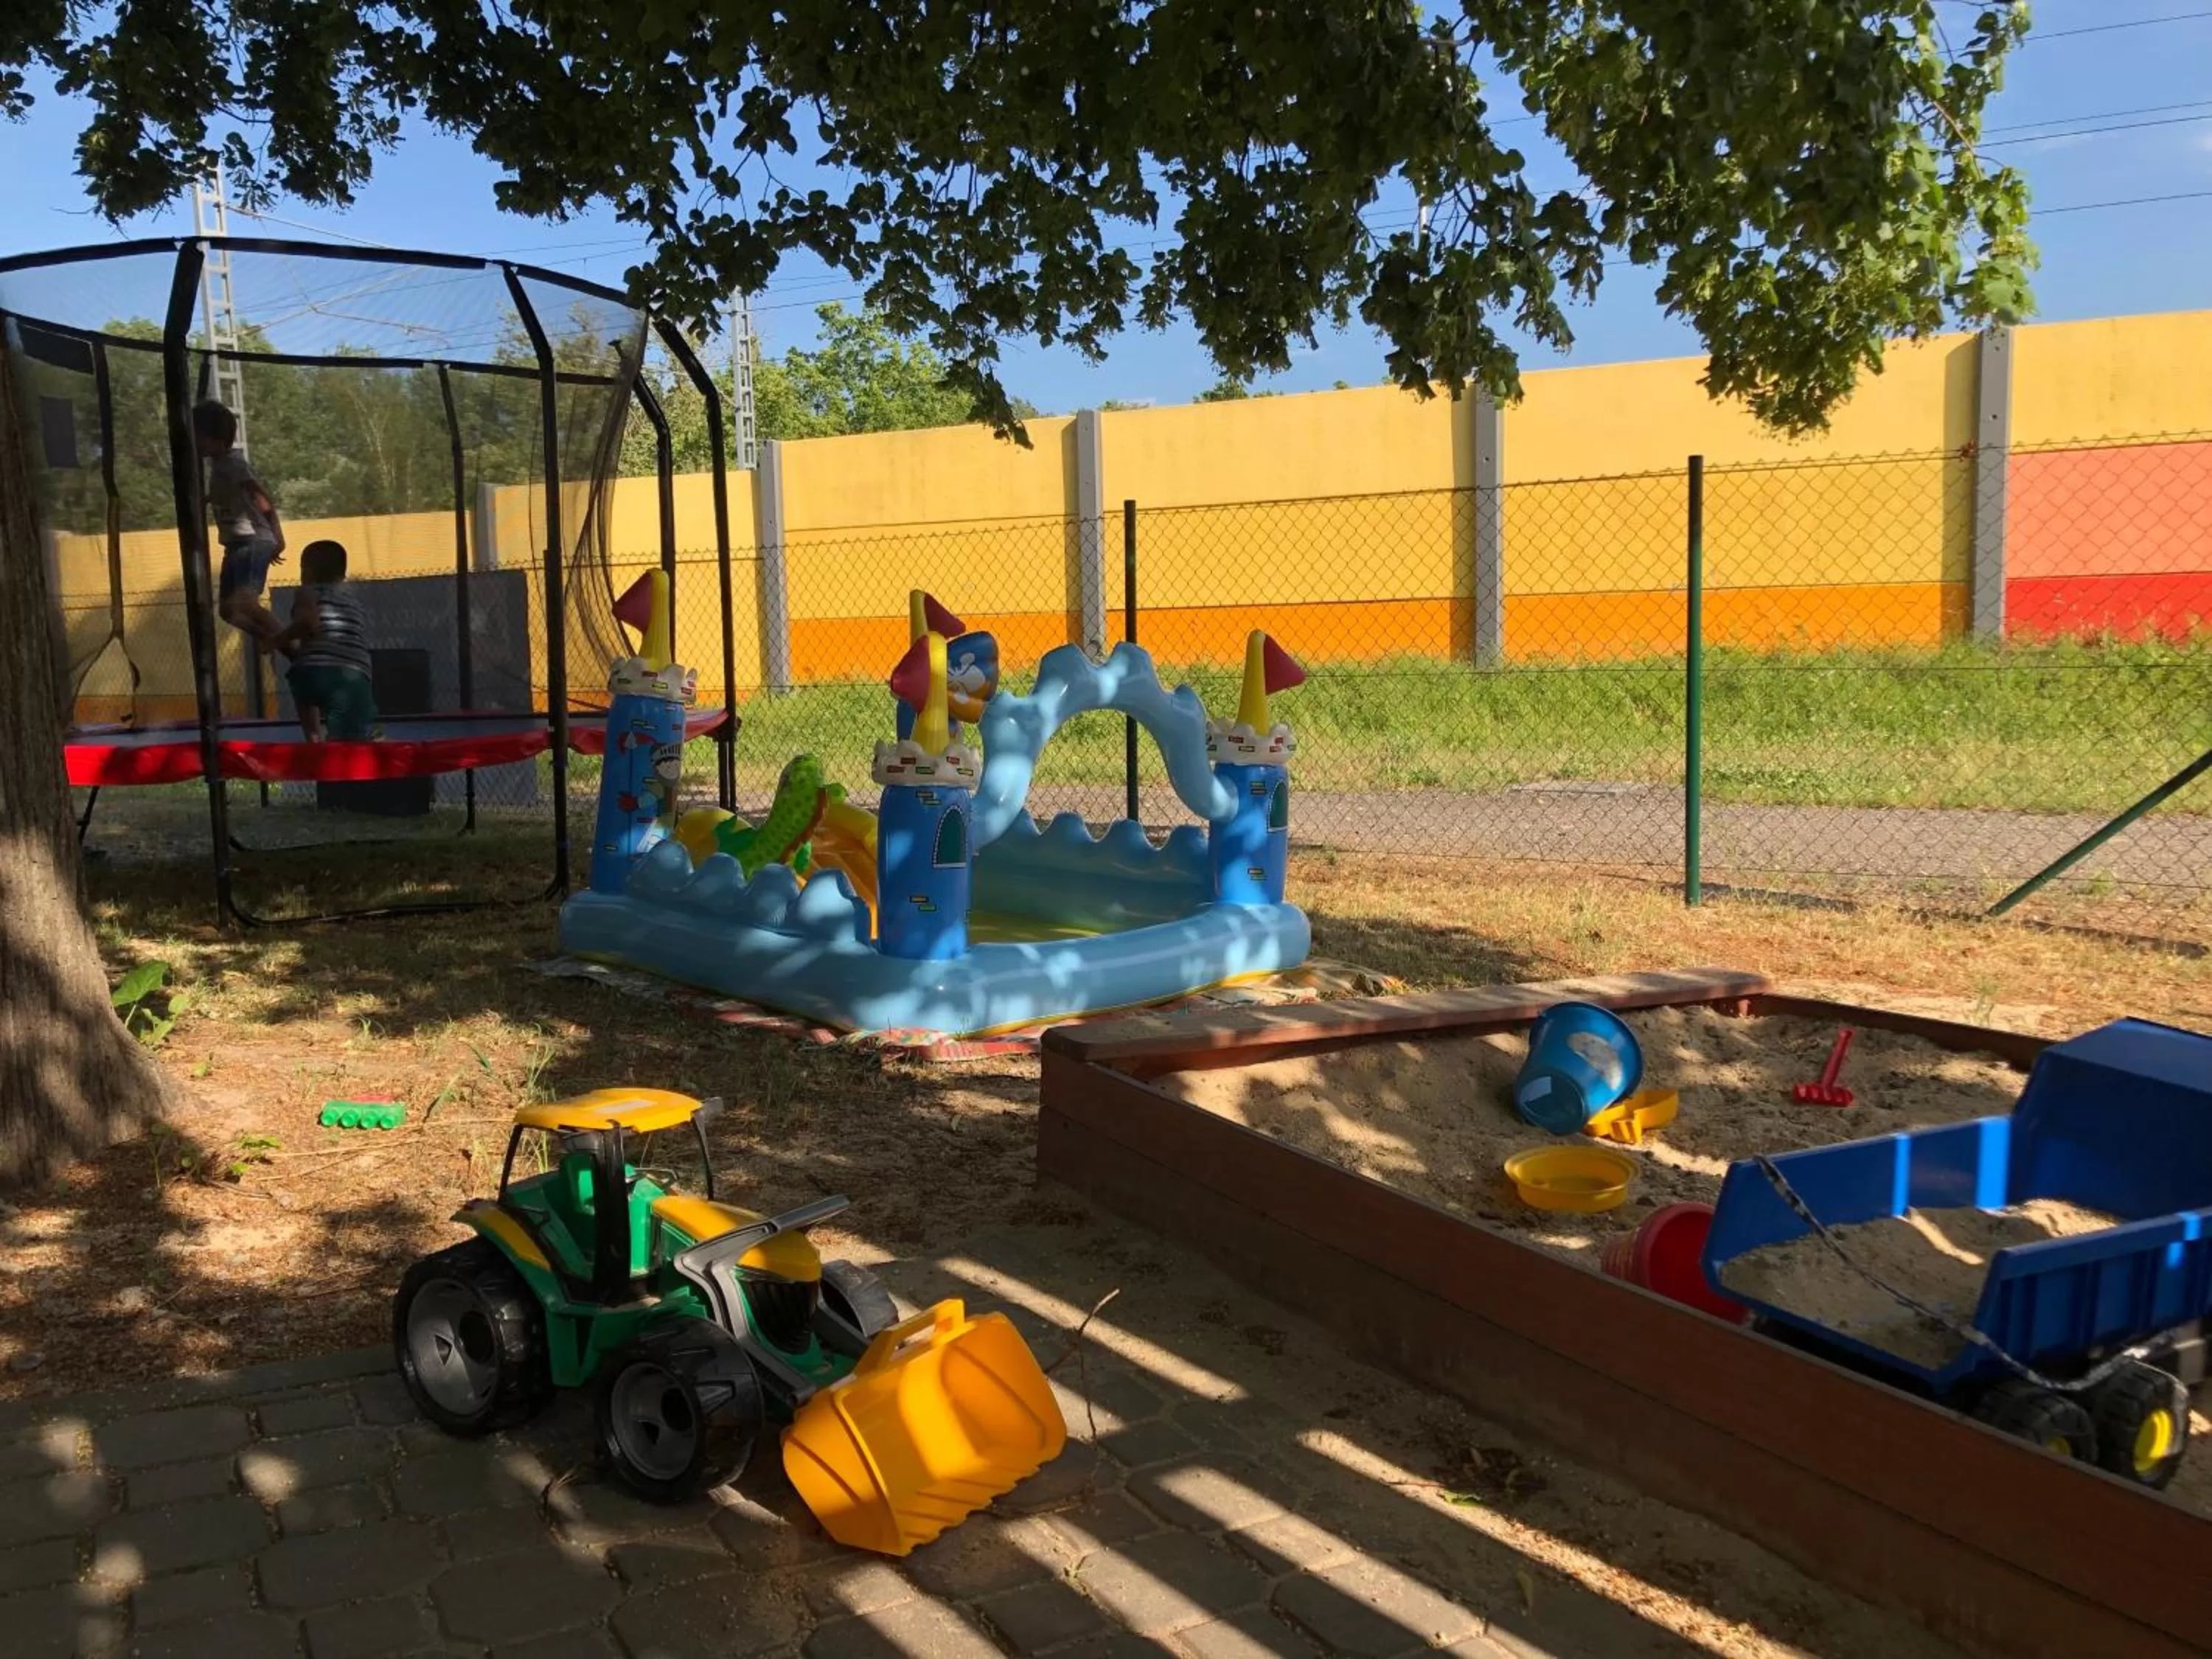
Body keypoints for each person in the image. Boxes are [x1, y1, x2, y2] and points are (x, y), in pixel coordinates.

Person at [192, 400, 285, 644]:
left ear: (215, 438)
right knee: (228, 611)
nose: (194, 442)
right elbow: (231, 492)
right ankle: (269, 637)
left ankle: (290, 641)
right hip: (235, 545)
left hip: (253, 541)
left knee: (244, 602)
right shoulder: (219, 465)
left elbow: (259, 495)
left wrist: (277, 534)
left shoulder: (233, 463)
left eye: (198, 436)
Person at [270, 540, 378, 742]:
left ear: (307, 572)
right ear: (342, 575)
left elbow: (308, 624)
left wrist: (276, 640)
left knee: (303, 680)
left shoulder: (306, 592)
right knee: (349, 740)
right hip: (352, 679)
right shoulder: (355, 603)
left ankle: (313, 738)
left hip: (309, 676)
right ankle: (347, 742)